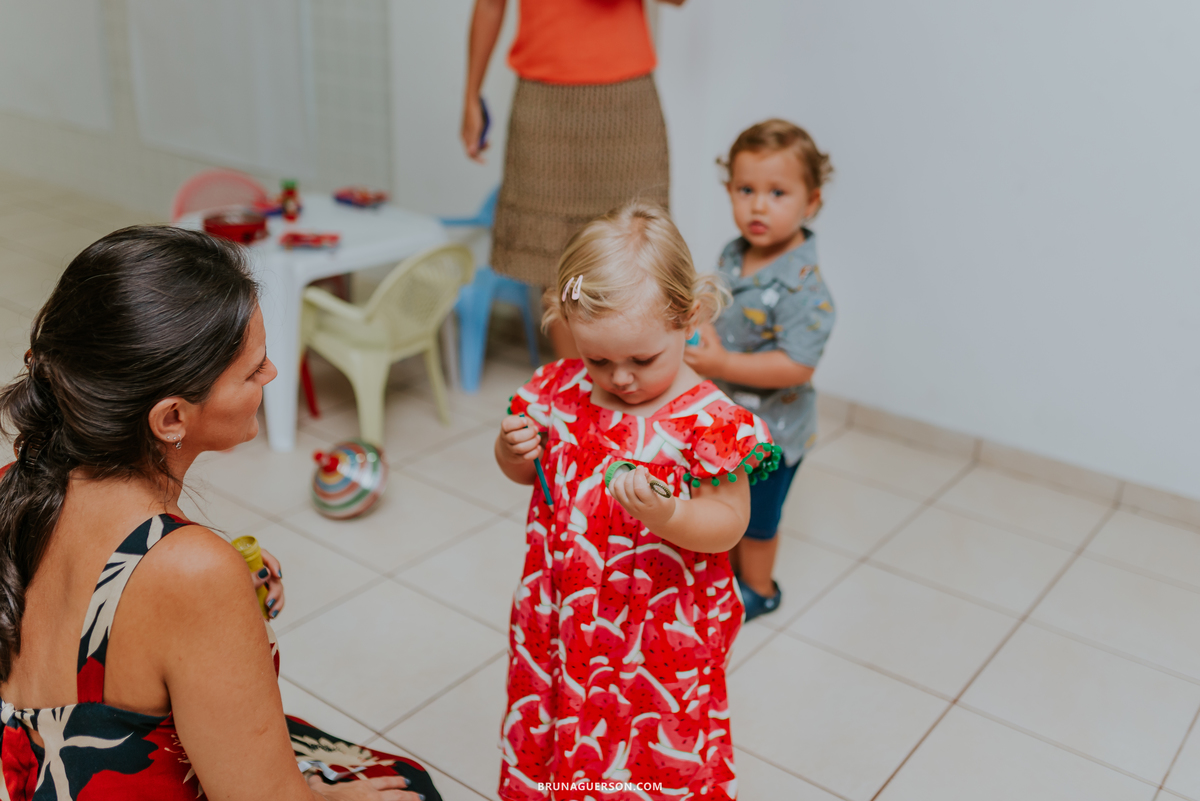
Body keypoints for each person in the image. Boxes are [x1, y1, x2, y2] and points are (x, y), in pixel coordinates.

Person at [0, 227, 435, 801]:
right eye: (252, 370)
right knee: (409, 785)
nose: (272, 374)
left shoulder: (16, 486)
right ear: (172, 418)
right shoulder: (191, 570)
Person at [493, 203, 782, 800]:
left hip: (654, 632)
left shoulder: (708, 423)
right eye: (599, 358)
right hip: (567, 616)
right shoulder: (560, 389)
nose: (619, 378)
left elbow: (729, 525)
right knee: (568, 721)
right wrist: (512, 448)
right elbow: (528, 477)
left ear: (689, 317)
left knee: (644, 748)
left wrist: (670, 514)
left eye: (641, 360)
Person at [461, 0, 685, 358]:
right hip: (543, 101)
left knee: (643, 249)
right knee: (556, 262)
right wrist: (471, 95)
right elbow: (489, 5)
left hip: (626, 98)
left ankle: (640, 381)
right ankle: (579, 390)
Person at [683, 119, 836, 621]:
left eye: (777, 192)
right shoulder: (734, 252)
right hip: (726, 421)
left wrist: (723, 362)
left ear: (810, 202)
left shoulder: (804, 290)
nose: (758, 205)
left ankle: (758, 586)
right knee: (723, 497)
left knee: (759, 519)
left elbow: (796, 367)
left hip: (774, 433)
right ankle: (722, 566)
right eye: (746, 190)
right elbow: (715, 302)